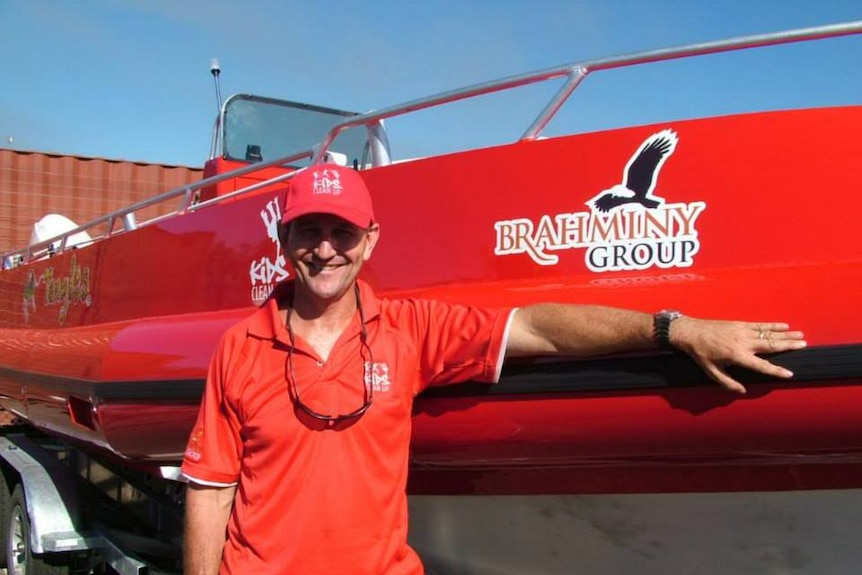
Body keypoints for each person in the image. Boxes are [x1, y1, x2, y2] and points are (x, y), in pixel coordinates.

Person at [181, 164, 805, 575]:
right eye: (308, 231)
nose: (325, 249)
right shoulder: (240, 346)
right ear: (285, 241)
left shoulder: (411, 330)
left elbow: (534, 326)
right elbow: (210, 489)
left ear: (369, 241)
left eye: (341, 233)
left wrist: (673, 328)